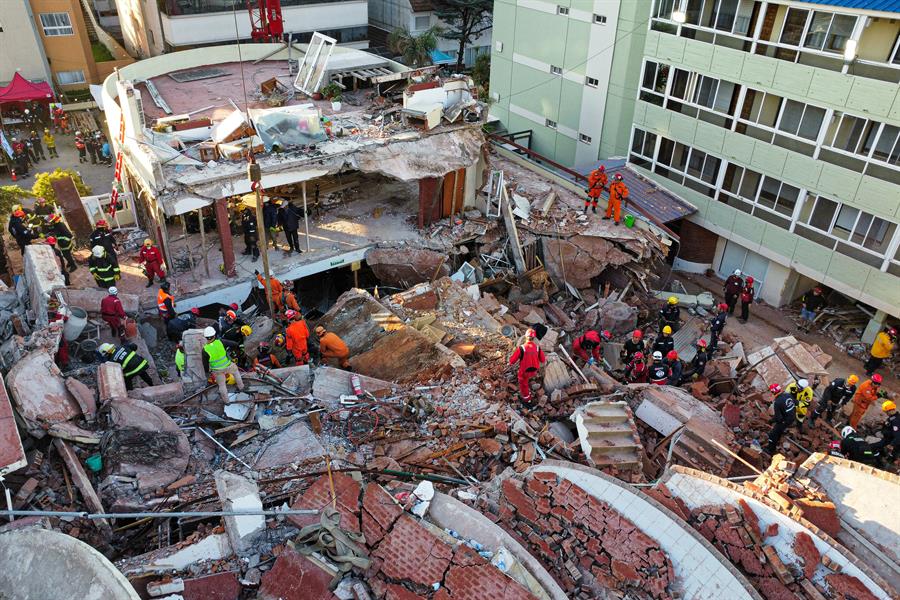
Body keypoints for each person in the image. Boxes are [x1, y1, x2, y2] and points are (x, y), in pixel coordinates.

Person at [202, 327, 245, 404]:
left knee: (222, 385)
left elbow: (205, 363)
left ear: (205, 337)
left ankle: (227, 401)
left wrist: (207, 372)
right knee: (236, 373)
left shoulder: (204, 349)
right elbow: (235, 344)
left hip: (217, 370)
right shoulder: (221, 342)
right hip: (228, 365)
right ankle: (241, 387)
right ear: (214, 335)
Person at [508, 328, 546, 403]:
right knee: (528, 379)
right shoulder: (538, 348)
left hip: (525, 371)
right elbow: (542, 360)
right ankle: (532, 387)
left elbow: (512, 361)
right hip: (534, 371)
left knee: (523, 384)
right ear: (534, 338)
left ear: (525, 337)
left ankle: (527, 399)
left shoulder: (522, 348)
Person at [766, 384, 795, 454]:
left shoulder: (777, 402)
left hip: (785, 420)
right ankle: (779, 436)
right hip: (792, 417)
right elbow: (795, 403)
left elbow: (778, 418)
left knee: (772, 434)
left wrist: (771, 421)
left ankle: (770, 450)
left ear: (773, 392)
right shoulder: (788, 395)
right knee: (779, 430)